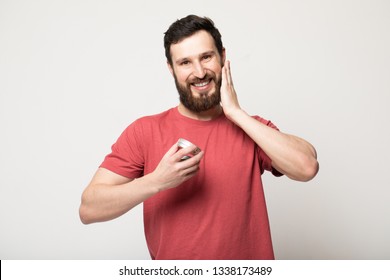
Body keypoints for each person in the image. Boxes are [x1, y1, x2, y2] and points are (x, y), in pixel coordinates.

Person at [79, 15, 319, 260]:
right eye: (185, 62)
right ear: (171, 68)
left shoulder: (251, 128)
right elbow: (89, 209)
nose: (199, 72)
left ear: (222, 57)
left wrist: (236, 113)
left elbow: (307, 167)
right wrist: (157, 181)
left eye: (206, 57)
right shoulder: (144, 131)